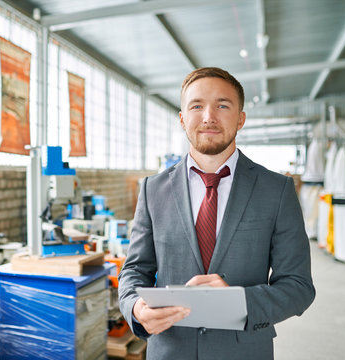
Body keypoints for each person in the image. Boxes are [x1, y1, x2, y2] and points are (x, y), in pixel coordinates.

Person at [118, 67, 315, 360]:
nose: (209, 116)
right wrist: (135, 307)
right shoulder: (152, 190)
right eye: (196, 106)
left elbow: (298, 286)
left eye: (223, 105)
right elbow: (134, 270)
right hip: (170, 349)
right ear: (182, 118)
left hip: (244, 351)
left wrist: (239, 302)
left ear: (241, 118)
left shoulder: (277, 190)